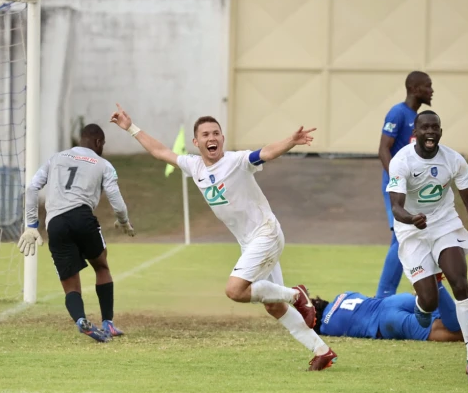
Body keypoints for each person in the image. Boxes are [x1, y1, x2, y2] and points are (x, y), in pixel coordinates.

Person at [110, 103, 337, 371]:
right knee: (272, 307)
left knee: (234, 290)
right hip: (251, 242)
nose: (212, 138)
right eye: (205, 135)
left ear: (222, 138)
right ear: (196, 142)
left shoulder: (237, 161)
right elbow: (161, 151)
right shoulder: (194, 166)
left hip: (265, 233)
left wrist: (291, 140)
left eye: (216, 133)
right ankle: (322, 351)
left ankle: (296, 295)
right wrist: (131, 128)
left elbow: (265, 152)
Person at [387, 109, 468, 384]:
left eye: (435, 128)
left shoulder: (453, 160)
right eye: (425, 128)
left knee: (460, 282)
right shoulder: (401, 161)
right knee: (430, 301)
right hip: (411, 230)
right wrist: (411, 218)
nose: (431, 132)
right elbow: (396, 206)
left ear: (440, 132)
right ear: (416, 133)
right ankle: (422, 306)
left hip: (444, 224)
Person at [18, 123, 136, 343]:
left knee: (70, 282)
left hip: (55, 224)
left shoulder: (55, 158)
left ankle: (81, 320)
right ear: (99, 142)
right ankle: (108, 323)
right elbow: (117, 202)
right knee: (101, 266)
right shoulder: (103, 164)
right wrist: (124, 222)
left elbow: (32, 188)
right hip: (82, 218)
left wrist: (32, 226)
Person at [376, 71, 434, 298]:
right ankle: (383, 295)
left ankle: (387, 294)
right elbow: (383, 149)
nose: (432, 91)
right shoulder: (398, 113)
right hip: (395, 185)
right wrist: (397, 180)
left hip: (411, 188)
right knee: (401, 237)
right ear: (415, 89)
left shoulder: (416, 117)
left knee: (403, 237)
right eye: (428, 86)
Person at [312, 276, 463, 343]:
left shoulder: (326, 327)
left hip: (387, 322)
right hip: (394, 301)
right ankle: (437, 285)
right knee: (445, 313)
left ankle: (463, 328)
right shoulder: (344, 294)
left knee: (456, 333)